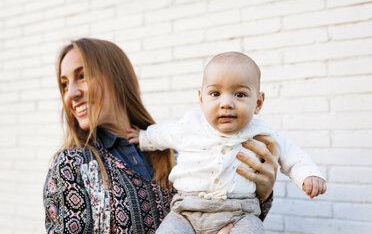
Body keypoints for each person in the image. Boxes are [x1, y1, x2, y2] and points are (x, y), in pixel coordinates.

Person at [43, 38, 279, 234]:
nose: (71, 93)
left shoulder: (179, 153)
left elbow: (230, 218)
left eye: (82, 76)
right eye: (64, 85)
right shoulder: (73, 166)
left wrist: (262, 192)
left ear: (116, 78)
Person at [127, 52, 327, 234]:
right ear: (201, 99)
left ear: (258, 103)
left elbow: (291, 153)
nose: (226, 103)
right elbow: (163, 133)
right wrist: (143, 137)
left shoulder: (261, 132)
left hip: (239, 213)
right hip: (186, 212)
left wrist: (308, 174)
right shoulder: (189, 125)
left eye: (240, 94)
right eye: (215, 94)